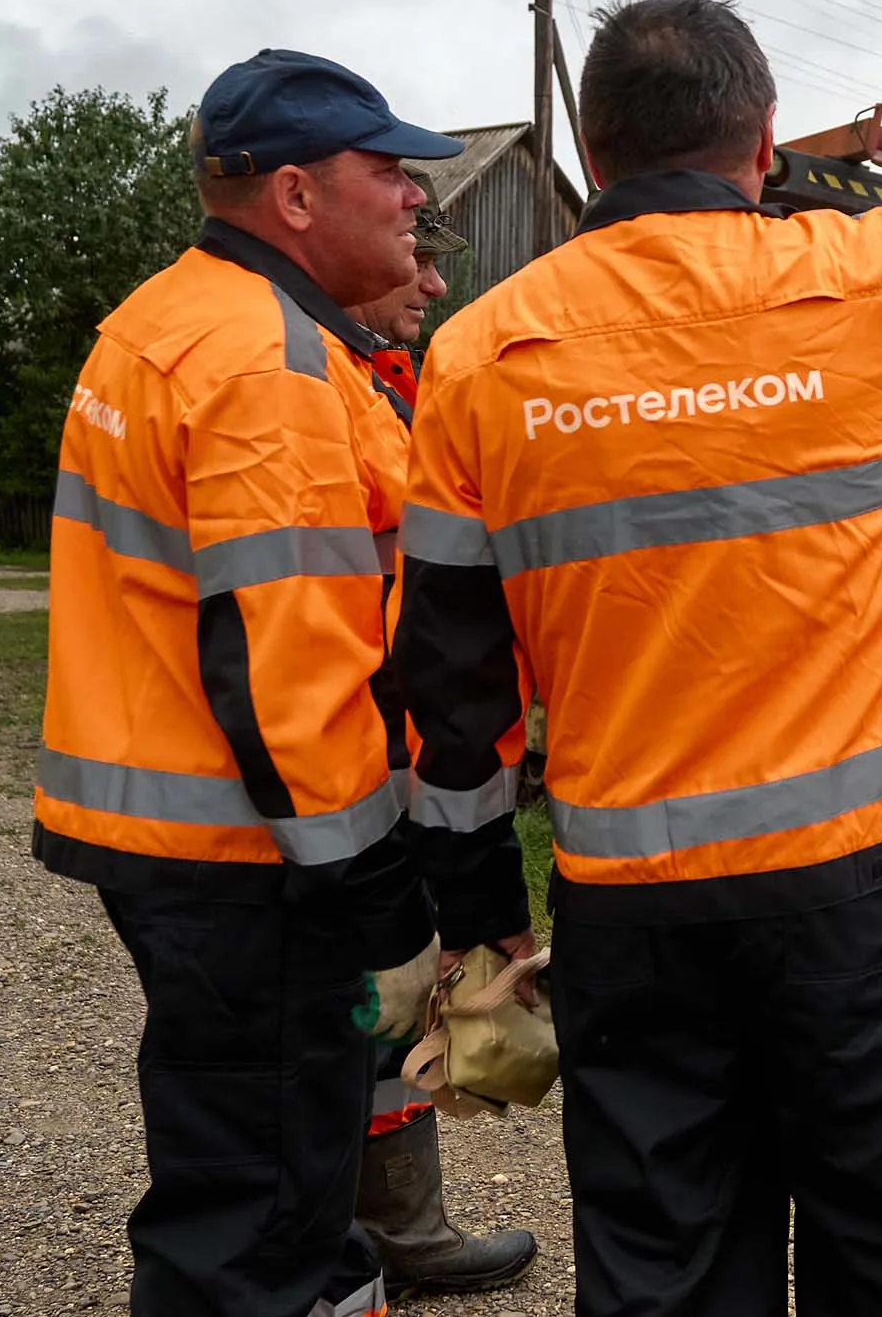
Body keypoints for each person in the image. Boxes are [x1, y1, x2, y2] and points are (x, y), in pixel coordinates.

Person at [392, 0, 882, 1315]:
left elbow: (449, 674)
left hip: (632, 912)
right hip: (860, 900)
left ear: (596, 153)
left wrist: (479, 894)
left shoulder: (477, 356)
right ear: (763, 141)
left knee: (665, 1272)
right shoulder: (873, 276)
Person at [34, 48, 463, 1317]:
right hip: (253, 857)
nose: (412, 198)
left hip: (188, 833)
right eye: (386, 171)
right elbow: (286, 675)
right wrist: (380, 900)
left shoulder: (174, 318)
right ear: (292, 194)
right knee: (249, 1213)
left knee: (269, 1167)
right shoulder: (263, 368)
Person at [338, 191, 538, 1296]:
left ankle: (403, 1226)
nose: (434, 282)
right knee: (351, 1000)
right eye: (411, 259)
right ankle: (339, 1242)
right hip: (344, 763)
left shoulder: (397, 387)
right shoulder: (311, 386)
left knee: (397, 996)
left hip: (408, 758)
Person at [348, 179, 466, 411]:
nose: (438, 287)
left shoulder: (390, 368)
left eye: (434, 264)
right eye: (419, 263)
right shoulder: (306, 368)